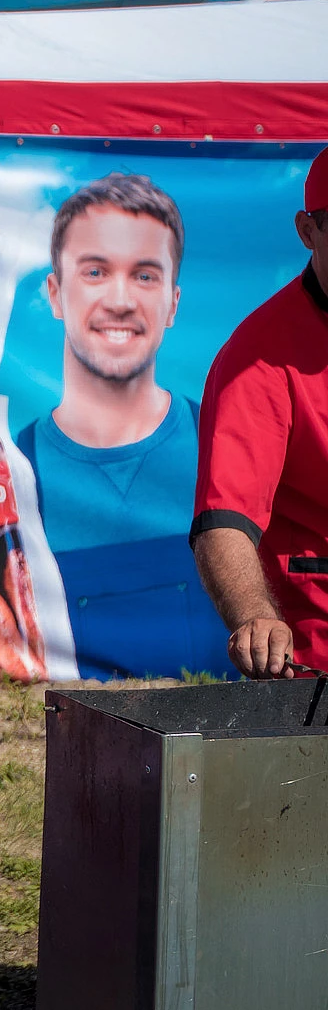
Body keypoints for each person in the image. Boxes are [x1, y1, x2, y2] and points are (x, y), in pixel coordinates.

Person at [14, 174, 222, 677]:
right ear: (55, 293)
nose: (121, 300)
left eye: (145, 275)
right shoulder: (8, 476)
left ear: (173, 302)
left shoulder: (224, 446)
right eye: (95, 272)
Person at [191, 147, 328, 679]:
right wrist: (254, 616)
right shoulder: (259, 357)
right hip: (316, 666)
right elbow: (225, 519)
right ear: (308, 231)